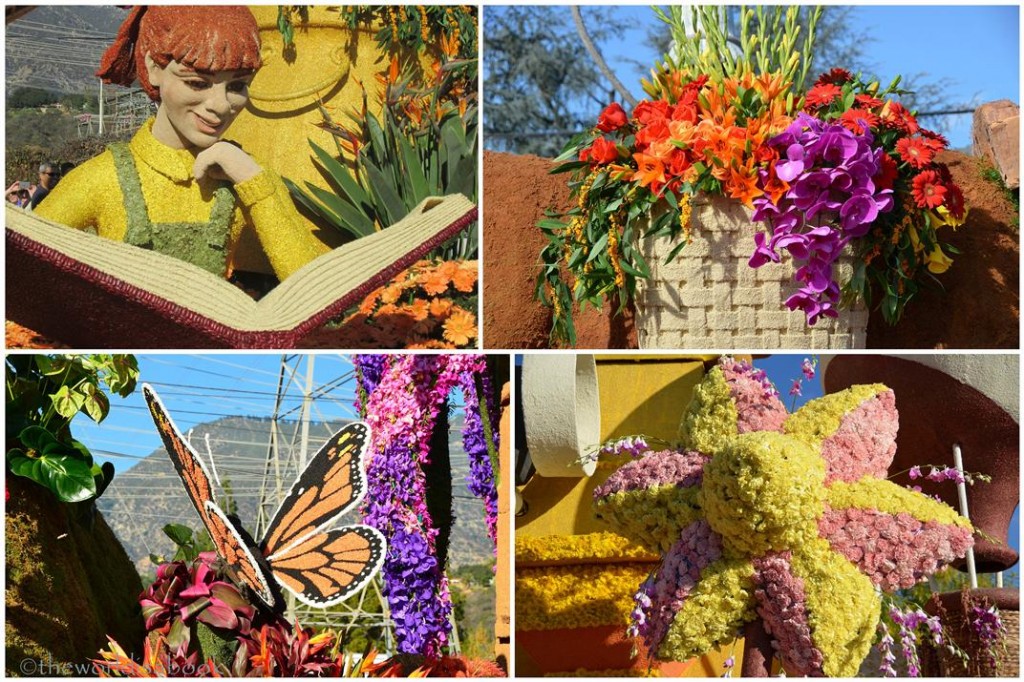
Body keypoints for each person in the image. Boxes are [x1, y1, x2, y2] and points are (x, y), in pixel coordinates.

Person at [35, 6, 327, 281]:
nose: (221, 106)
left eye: (237, 86)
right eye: (198, 83)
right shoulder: (101, 178)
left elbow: (317, 296)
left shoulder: (247, 175)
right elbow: (19, 268)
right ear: (154, 68)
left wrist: (254, 183)